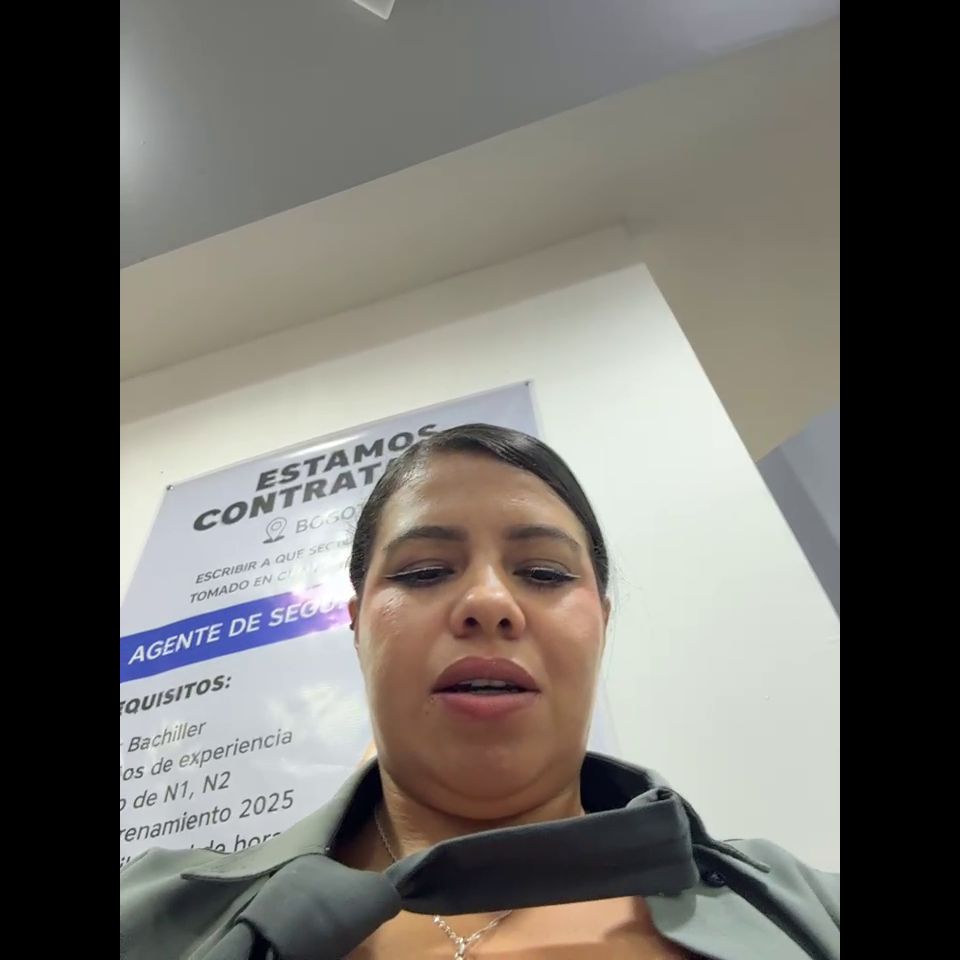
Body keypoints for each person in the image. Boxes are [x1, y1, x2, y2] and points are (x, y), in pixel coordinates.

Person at [120, 424, 839, 960]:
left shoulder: (811, 909)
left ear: (601, 624)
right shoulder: (147, 912)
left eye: (545, 573)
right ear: (358, 626)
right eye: (425, 572)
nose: (489, 602)